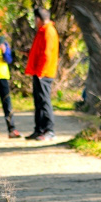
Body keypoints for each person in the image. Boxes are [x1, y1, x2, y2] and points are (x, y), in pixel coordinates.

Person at [25, 8, 59, 141]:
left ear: (39, 18)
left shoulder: (49, 32)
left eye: (35, 19)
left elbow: (47, 54)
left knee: (44, 101)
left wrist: (41, 72)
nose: (35, 22)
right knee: (38, 101)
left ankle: (49, 130)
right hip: (38, 71)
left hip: (44, 73)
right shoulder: (42, 31)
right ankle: (39, 129)